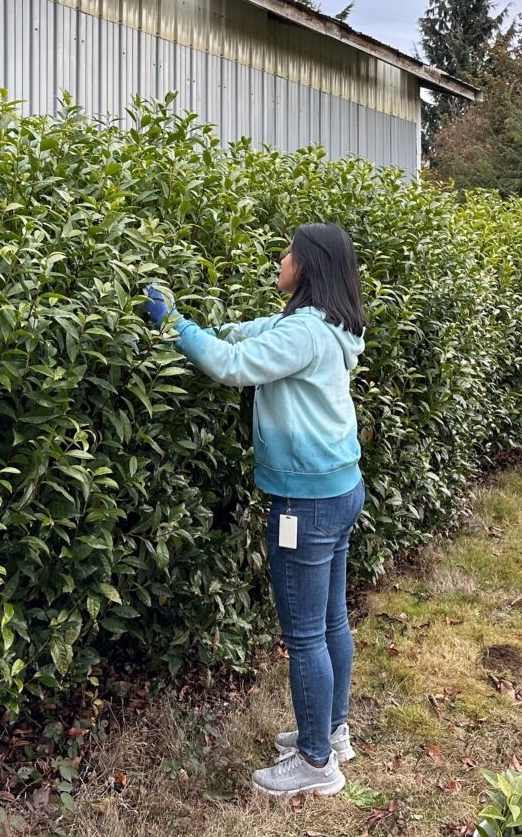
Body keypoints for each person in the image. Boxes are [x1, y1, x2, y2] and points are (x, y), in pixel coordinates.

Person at [142, 223, 367, 797]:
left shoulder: (304, 335)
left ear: (309, 266)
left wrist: (171, 324)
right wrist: (196, 323)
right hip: (341, 488)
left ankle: (316, 765)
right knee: (332, 620)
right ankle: (332, 732)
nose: (282, 257)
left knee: (305, 636)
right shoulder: (326, 326)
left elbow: (232, 366)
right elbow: (250, 335)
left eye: (290, 251)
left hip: (306, 501)